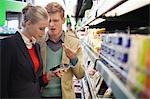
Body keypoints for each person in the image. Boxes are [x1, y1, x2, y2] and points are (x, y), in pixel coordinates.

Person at [0, 3, 50, 98]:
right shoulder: (8, 45)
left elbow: (34, 80)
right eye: (41, 29)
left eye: (45, 29)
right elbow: (2, 83)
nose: (43, 33)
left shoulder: (36, 46)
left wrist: (48, 77)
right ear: (28, 24)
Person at [40, 2, 85, 99]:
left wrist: (73, 58)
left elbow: (80, 74)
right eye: (49, 20)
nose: (52, 24)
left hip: (65, 96)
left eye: (56, 20)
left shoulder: (74, 43)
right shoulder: (38, 42)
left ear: (63, 20)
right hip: (40, 95)